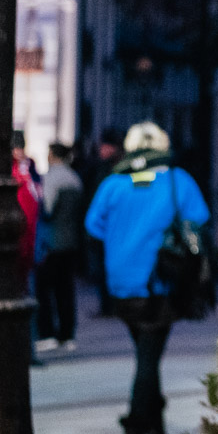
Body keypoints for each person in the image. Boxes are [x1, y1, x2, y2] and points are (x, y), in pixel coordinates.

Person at [86, 122, 210, 434]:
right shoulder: (177, 180)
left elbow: (93, 225)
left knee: (145, 351)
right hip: (160, 281)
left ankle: (155, 422)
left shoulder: (114, 183)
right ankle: (137, 430)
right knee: (148, 355)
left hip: (121, 284)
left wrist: (122, 239)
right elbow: (199, 218)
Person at [35, 142, 84, 353]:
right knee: (66, 289)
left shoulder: (52, 178)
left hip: (52, 241)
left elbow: (47, 208)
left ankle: (48, 333)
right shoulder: (74, 178)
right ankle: (67, 333)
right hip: (71, 241)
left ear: (53, 156)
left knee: (44, 289)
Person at [83, 127, 124, 316]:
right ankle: (108, 304)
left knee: (108, 267)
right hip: (103, 226)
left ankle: (112, 304)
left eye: (104, 146)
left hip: (110, 227)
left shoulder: (111, 171)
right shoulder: (101, 168)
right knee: (102, 267)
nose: (101, 150)